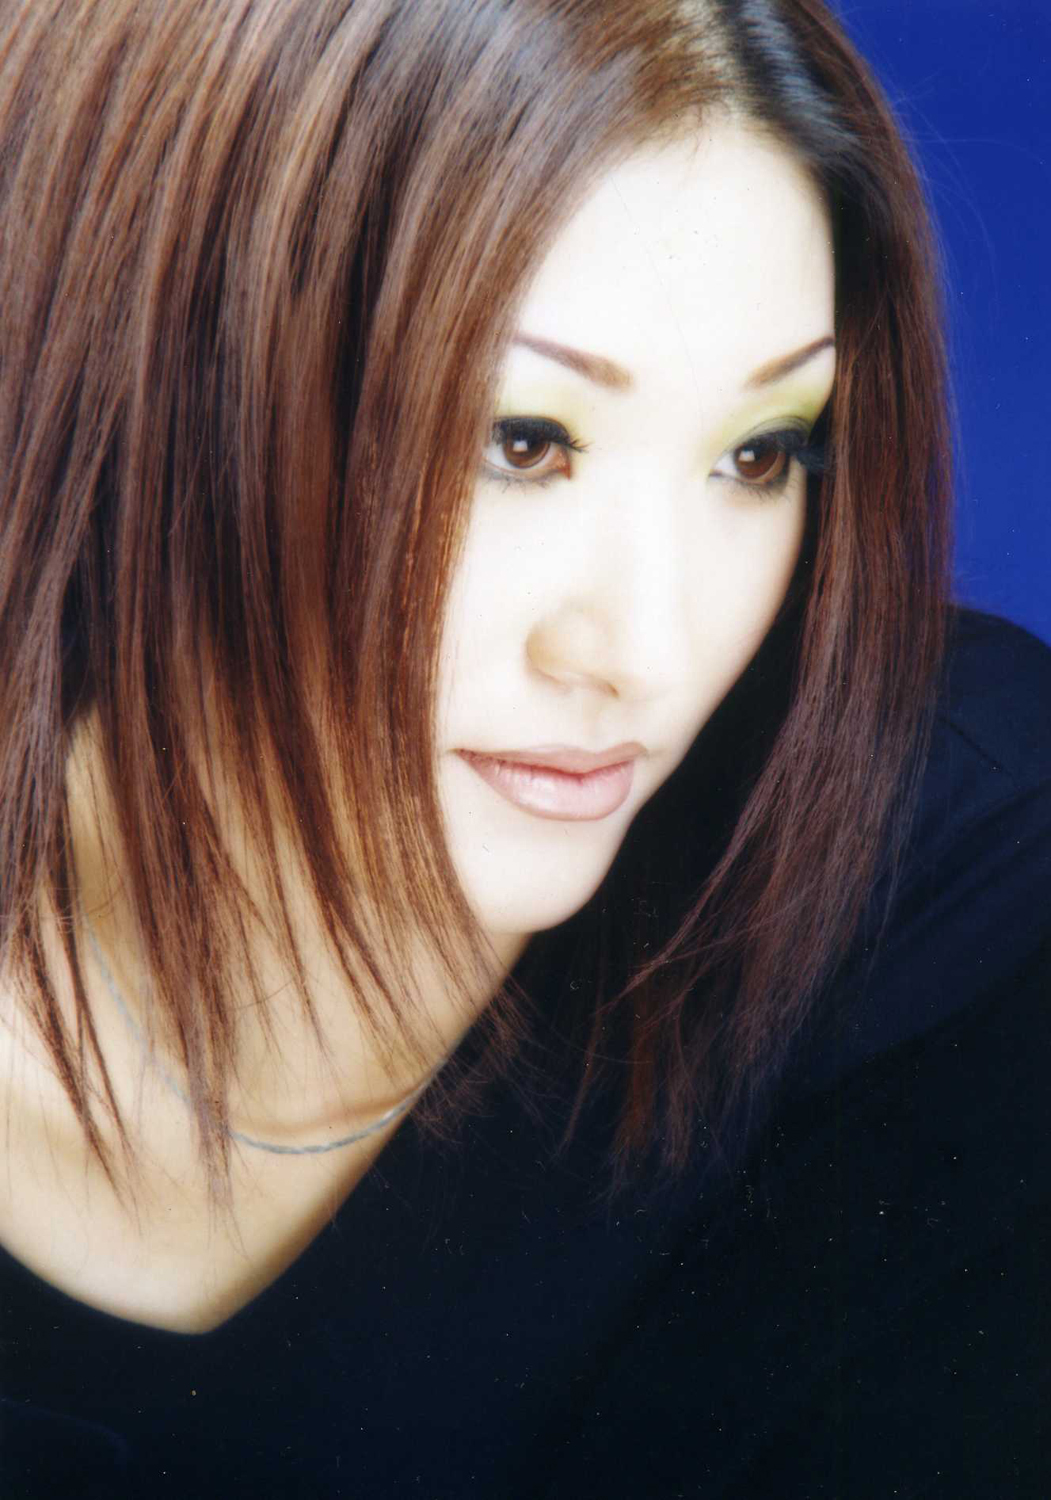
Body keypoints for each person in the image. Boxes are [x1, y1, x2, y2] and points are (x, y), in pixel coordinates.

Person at [0, 0, 1047, 1494]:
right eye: (522, 440)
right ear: (142, 374)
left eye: (760, 454)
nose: (650, 652)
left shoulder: (966, 880)